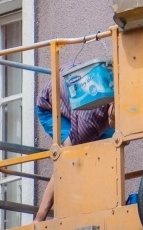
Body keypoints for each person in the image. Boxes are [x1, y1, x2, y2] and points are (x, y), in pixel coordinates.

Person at [33, 76, 115, 221]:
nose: (117, 120)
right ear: (111, 105)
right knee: (69, 153)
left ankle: (100, 205)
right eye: (115, 117)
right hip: (48, 103)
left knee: (108, 147)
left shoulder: (116, 87)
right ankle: (40, 216)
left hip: (70, 82)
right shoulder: (90, 124)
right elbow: (70, 154)